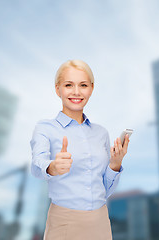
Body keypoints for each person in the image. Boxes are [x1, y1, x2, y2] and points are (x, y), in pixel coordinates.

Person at [30, 60, 130, 240]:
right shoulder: (45, 128)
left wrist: (115, 165)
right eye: (69, 85)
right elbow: (37, 166)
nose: (76, 92)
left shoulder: (101, 133)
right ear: (57, 88)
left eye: (83, 85)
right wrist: (53, 167)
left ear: (91, 89)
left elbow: (105, 190)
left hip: (100, 221)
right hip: (64, 221)